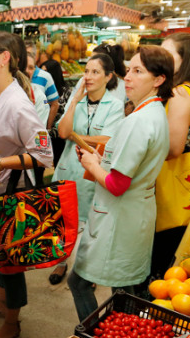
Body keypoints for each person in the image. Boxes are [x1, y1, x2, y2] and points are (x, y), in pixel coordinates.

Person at [69, 46, 173, 321]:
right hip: (133, 216)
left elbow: (117, 184)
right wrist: (100, 160)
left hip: (118, 219)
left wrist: (92, 165)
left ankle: (94, 334)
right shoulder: (155, 113)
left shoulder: (137, 121)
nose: (128, 77)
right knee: (125, 293)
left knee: (80, 283)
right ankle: (113, 334)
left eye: (138, 71)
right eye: (128, 70)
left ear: (158, 79)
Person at [0, 31, 54, 338]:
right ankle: (3, 302)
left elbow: (44, 154)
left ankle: (12, 322)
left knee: (11, 261)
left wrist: (1, 163)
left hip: (10, 194)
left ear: (5, 57)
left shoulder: (18, 104)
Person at [49, 54, 126, 286]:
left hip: (94, 172)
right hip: (68, 169)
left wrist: (76, 136)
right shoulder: (78, 102)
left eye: (95, 72)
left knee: (92, 223)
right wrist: (74, 101)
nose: (88, 77)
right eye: (86, 72)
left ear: (108, 77)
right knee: (62, 220)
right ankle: (61, 262)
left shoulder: (115, 105)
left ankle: (88, 271)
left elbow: (108, 139)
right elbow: (63, 132)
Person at [151, 33, 190, 279]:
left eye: (168, 54)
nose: (161, 58)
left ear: (184, 60)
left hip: (172, 193)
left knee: (160, 271)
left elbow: (174, 148)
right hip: (185, 189)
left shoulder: (179, 94)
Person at [26, 40, 60, 126]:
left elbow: (53, 103)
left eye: (30, 54)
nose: (27, 57)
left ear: (35, 57)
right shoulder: (14, 76)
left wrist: (48, 127)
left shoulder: (45, 76)